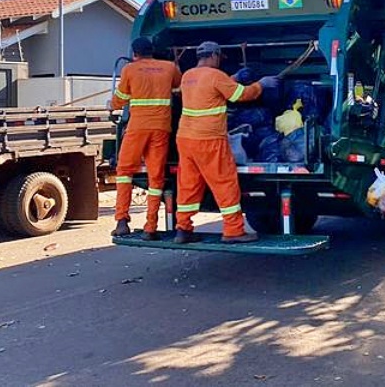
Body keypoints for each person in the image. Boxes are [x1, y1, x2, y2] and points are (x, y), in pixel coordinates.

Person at [174, 41, 279, 245]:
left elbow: (212, 86)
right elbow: (242, 95)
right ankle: (233, 231)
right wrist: (262, 84)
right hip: (210, 140)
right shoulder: (215, 76)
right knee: (224, 184)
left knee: (188, 184)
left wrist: (235, 78)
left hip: (185, 139)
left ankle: (183, 229)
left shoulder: (188, 76)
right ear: (214, 56)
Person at [110, 37, 182, 240]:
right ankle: (150, 227)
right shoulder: (169, 67)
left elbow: (121, 99)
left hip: (137, 128)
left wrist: (111, 105)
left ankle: (122, 221)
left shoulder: (129, 70)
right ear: (152, 51)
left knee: (125, 172)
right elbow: (179, 89)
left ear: (135, 53)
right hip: (161, 128)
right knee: (156, 177)